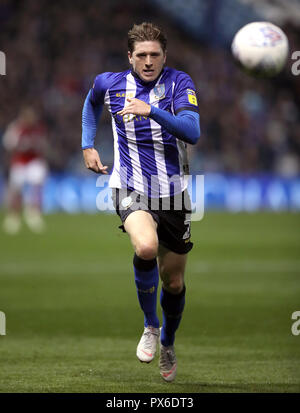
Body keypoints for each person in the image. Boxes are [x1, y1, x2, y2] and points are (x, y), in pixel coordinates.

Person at [82, 22, 200, 382]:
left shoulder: (180, 84)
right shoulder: (110, 83)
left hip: (173, 192)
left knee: (174, 282)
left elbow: (192, 132)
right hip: (129, 186)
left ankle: (167, 340)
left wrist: (152, 111)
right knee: (146, 247)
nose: (149, 61)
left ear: (164, 56)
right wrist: (88, 144)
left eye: (155, 55)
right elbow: (91, 104)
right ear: (129, 57)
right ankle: (151, 325)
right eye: (142, 55)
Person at [2, 106, 48, 234]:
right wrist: (21, 146)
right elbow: (8, 145)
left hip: (34, 161)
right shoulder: (16, 129)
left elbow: (43, 145)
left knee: (37, 183)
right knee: (16, 189)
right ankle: (14, 216)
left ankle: (34, 213)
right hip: (20, 162)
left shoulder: (38, 129)